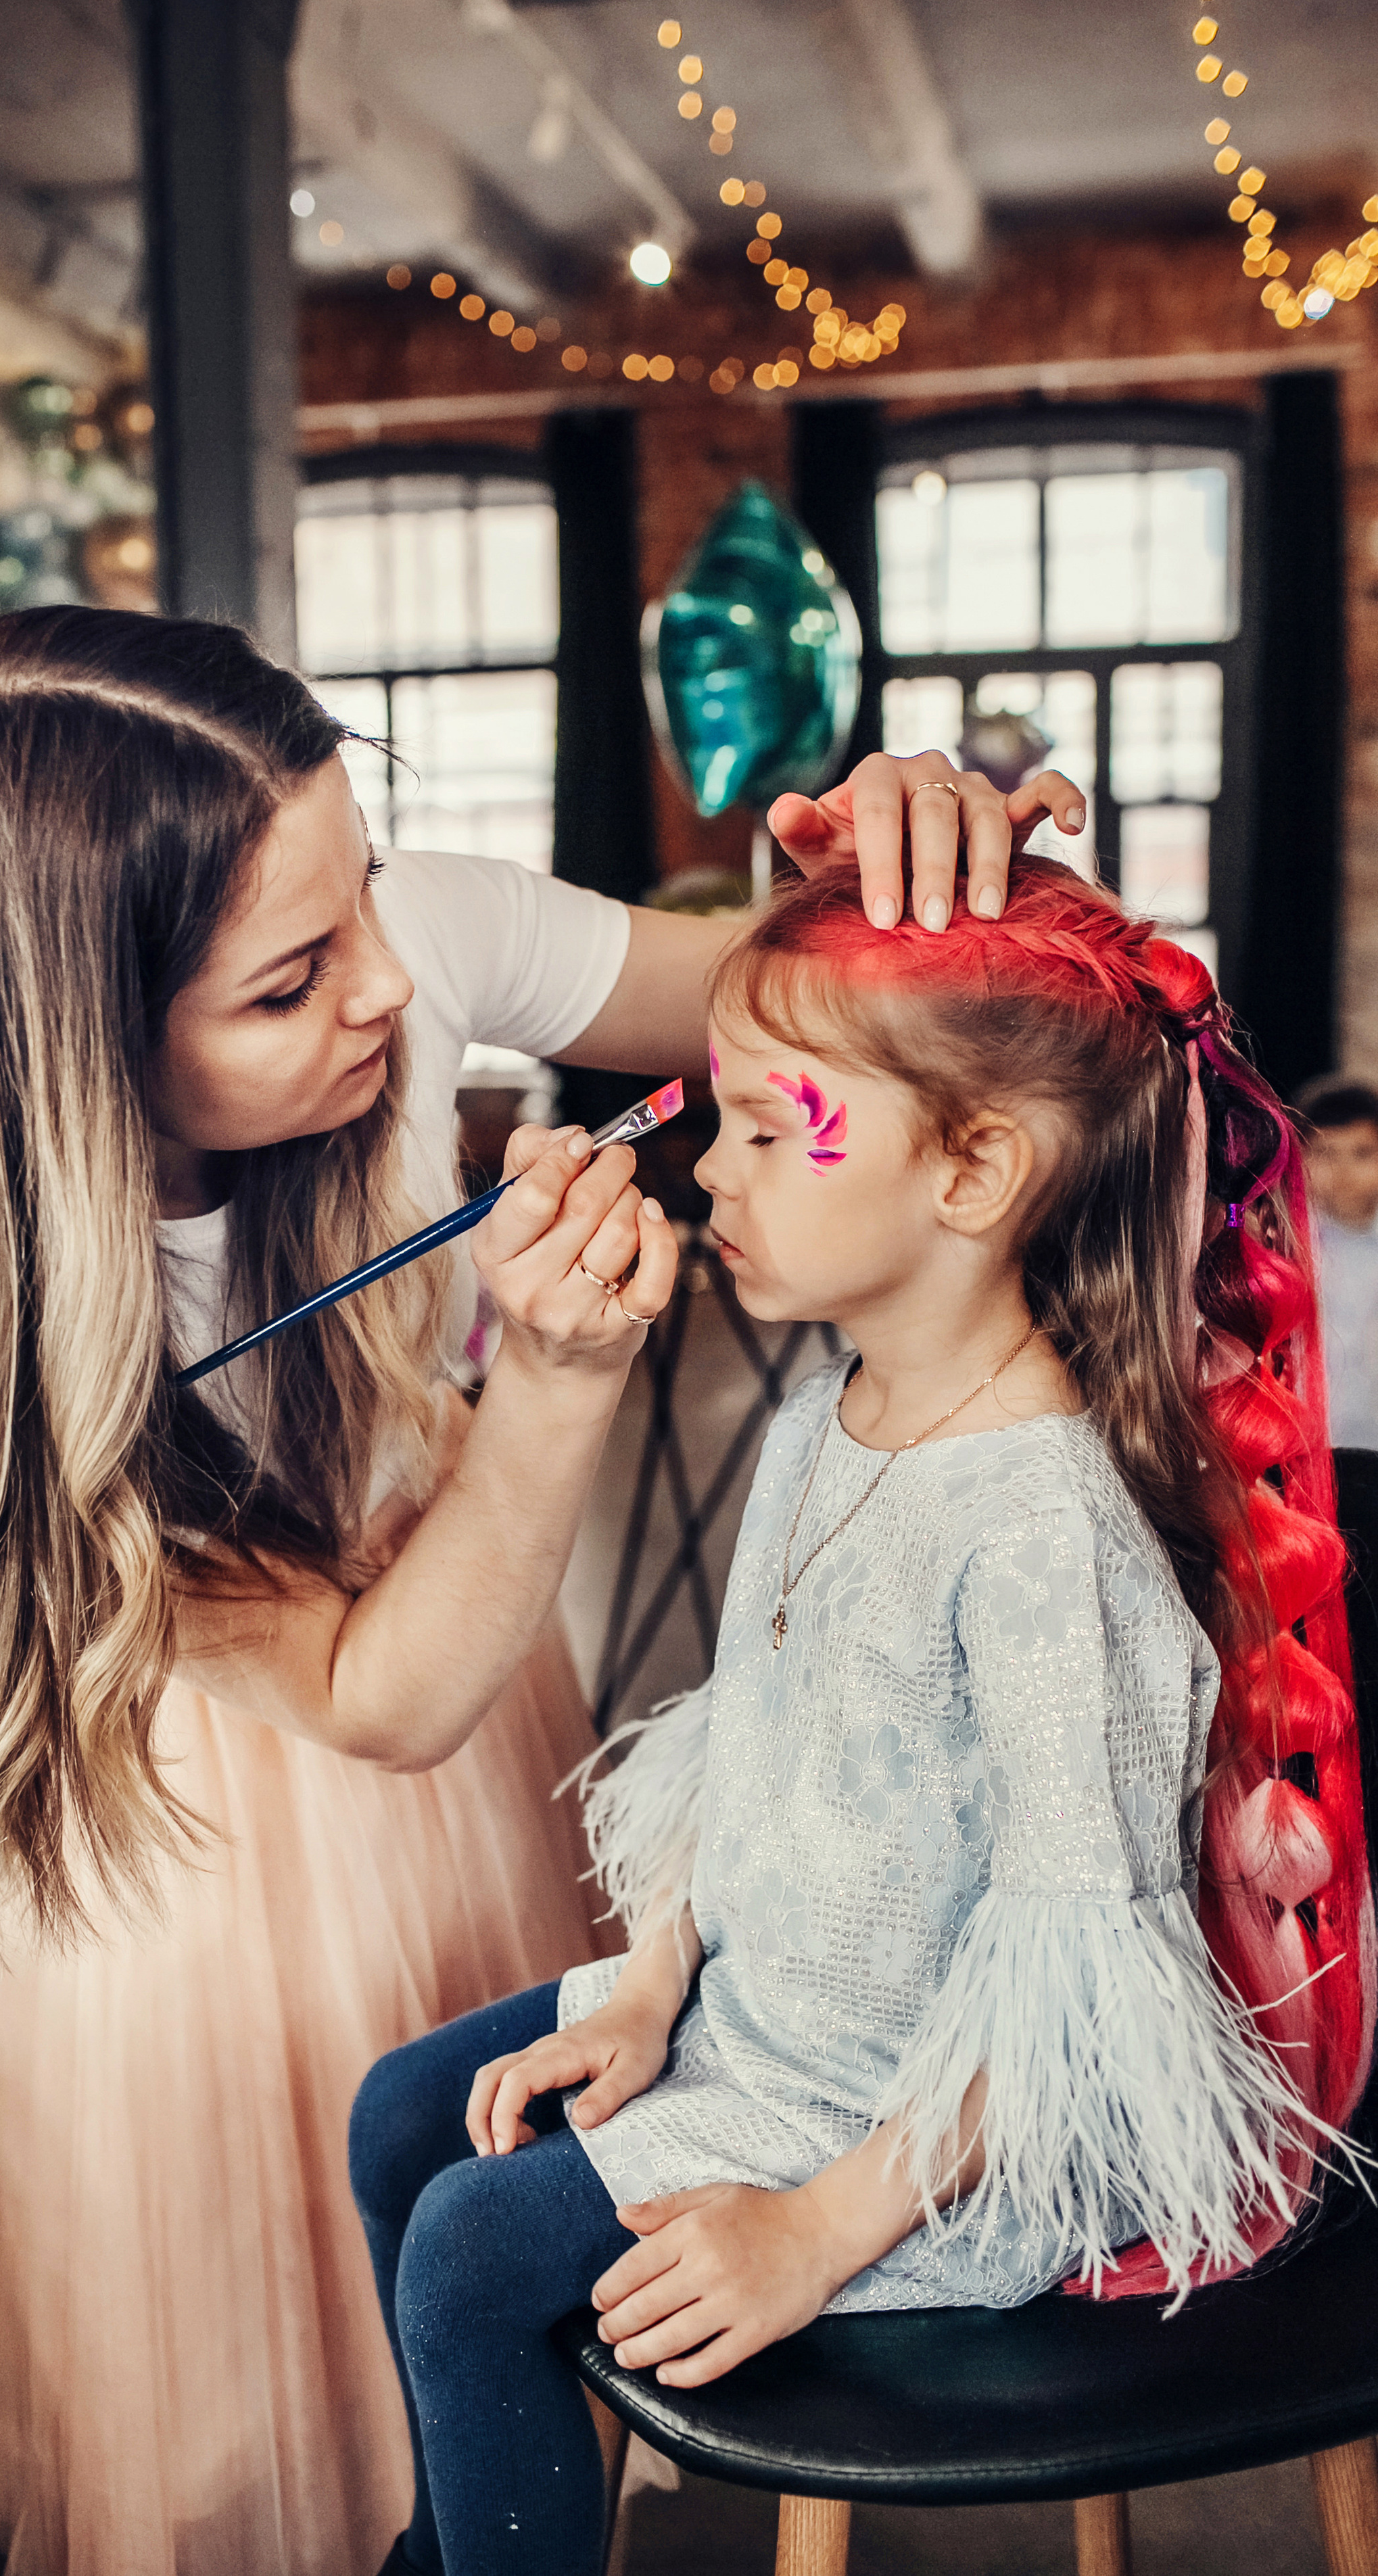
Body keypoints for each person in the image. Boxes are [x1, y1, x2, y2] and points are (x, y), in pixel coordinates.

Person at [0, 604, 1085, 2576]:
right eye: (290, 979)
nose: (386, 980)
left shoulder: (396, 939)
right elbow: (372, 1691)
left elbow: (784, 999)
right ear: (79, 1042)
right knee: (241, 2411)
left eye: (359, 877)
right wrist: (547, 1382)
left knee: (492, 2262)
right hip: (185, 1844)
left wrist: (915, 863)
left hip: (468, 1715)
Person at [351, 857, 1375, 2576]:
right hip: (772, 2009)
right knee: (405, 2110)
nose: (707, 1167)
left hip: (935, 2126)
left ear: (973, 1167)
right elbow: (748, 1742)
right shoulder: (830, 1407)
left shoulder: (1048, 1531)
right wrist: (656, 1980)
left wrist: (816, 2231)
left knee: (465, 2257)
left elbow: (1069, 1981)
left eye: (770, 1129)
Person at [1296, 1074, 1378, 1450]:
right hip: (1307, 1453)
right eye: (1326, 1153)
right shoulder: (1283, 1248)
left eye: (1362, 1154)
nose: (1343, 1174)